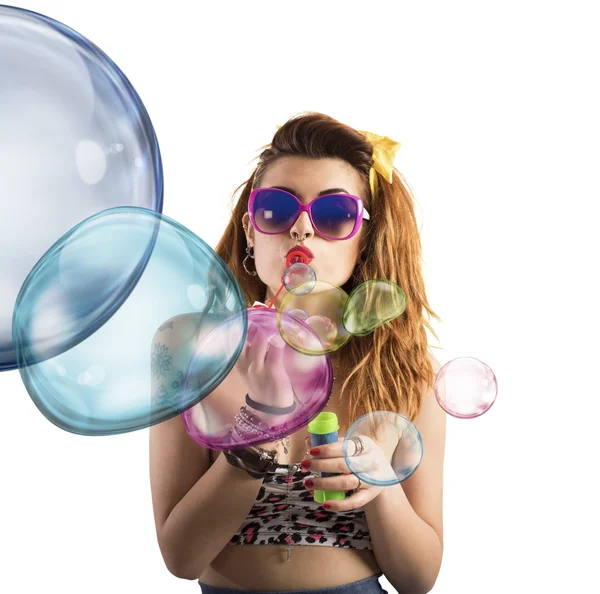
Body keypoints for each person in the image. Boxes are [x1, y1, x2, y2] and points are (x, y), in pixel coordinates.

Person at [149, 112, 446, 594]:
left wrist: (382, 488)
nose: (302, 230)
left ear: (364, 239)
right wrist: (261, 427)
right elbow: (181, 557)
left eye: (334, 216)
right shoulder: (190, 348)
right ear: (250, 230)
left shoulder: (403, 371)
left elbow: (418, 578)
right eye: (276, 210)